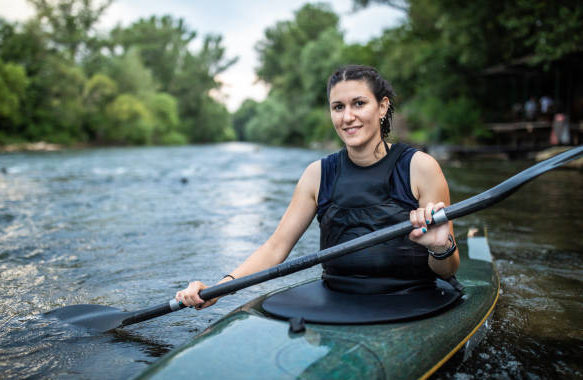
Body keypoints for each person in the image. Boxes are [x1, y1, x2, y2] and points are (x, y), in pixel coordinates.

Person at [176, 64, 460, 309]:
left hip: (411, 299)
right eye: (338, 107)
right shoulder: (317, 174)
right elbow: (275, 248)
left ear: (382, 106)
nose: (347, 116)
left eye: (359, 103)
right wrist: (218, 289)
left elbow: (448, 268)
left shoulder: (420, 167)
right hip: (336, 301)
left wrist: (440, 247)